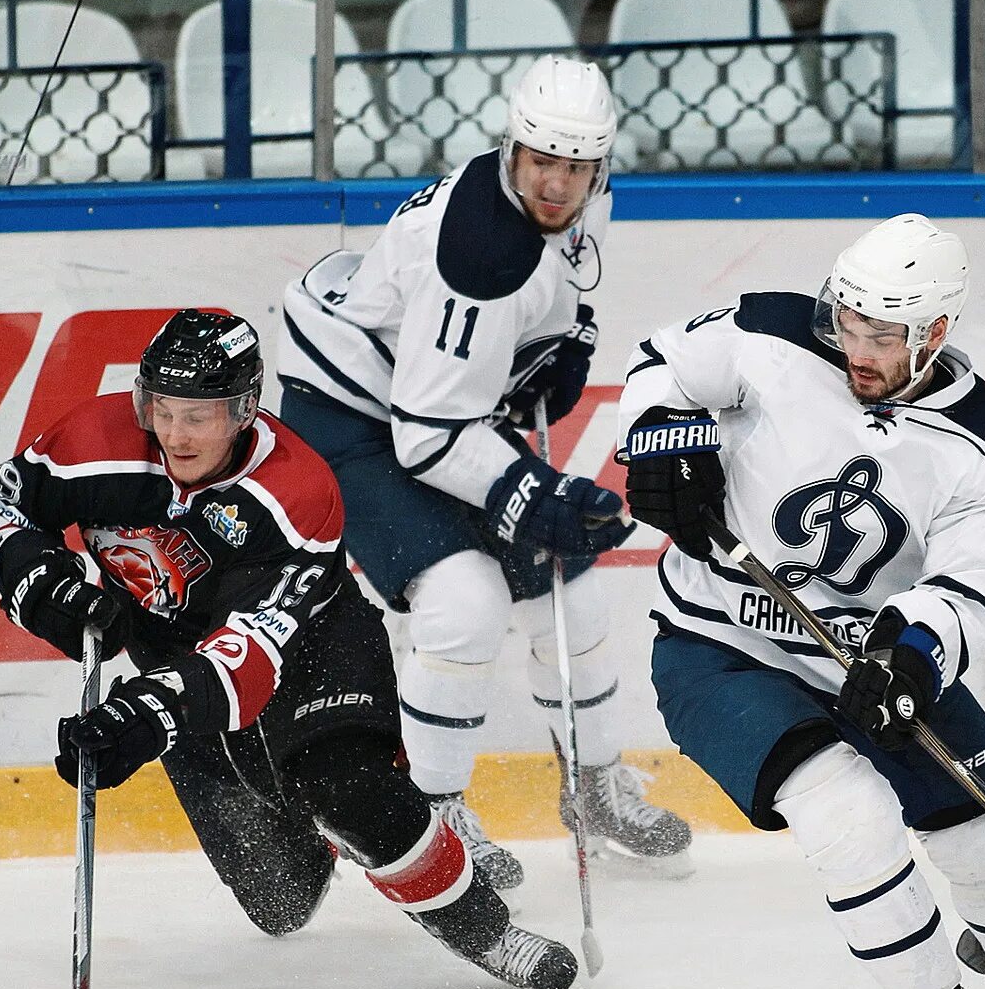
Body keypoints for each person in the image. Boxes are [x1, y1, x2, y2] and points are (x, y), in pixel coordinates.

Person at [617, 214, 985, 989]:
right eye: (847, 322)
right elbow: (660, 366)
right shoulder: (771, 336)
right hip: (718, 645)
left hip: (870, 661)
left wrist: (912, 657)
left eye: (881, 335)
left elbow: (973, 587)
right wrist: (662, 440)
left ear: (936, 332)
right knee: (848, 812)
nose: (855, 347)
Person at [0, 309, 579, 989]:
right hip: (178, 664)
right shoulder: (91, 441)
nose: (173, 433)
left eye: (198, 416)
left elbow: (247, 658)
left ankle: (488, 931)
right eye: (161, 409)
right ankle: (323, 829)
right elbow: (3, 504)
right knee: (282, 905)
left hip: (309, 646)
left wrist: (143, 715)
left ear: (243, 411)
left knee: (349, 788)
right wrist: (39, 583)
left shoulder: (295, 490)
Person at [277, 54, 692, 888]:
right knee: (466, 599)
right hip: (352, 412)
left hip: (438, 396)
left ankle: (595, 786)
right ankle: (429, 815)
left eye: (577, 168)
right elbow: (426, 438)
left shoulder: (584, 194)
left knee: (566, 586)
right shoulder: (478, 257)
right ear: (512, 148)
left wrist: (561, 342)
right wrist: (530, 495)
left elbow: (563, 282)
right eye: (542, 163)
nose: (558, 184)